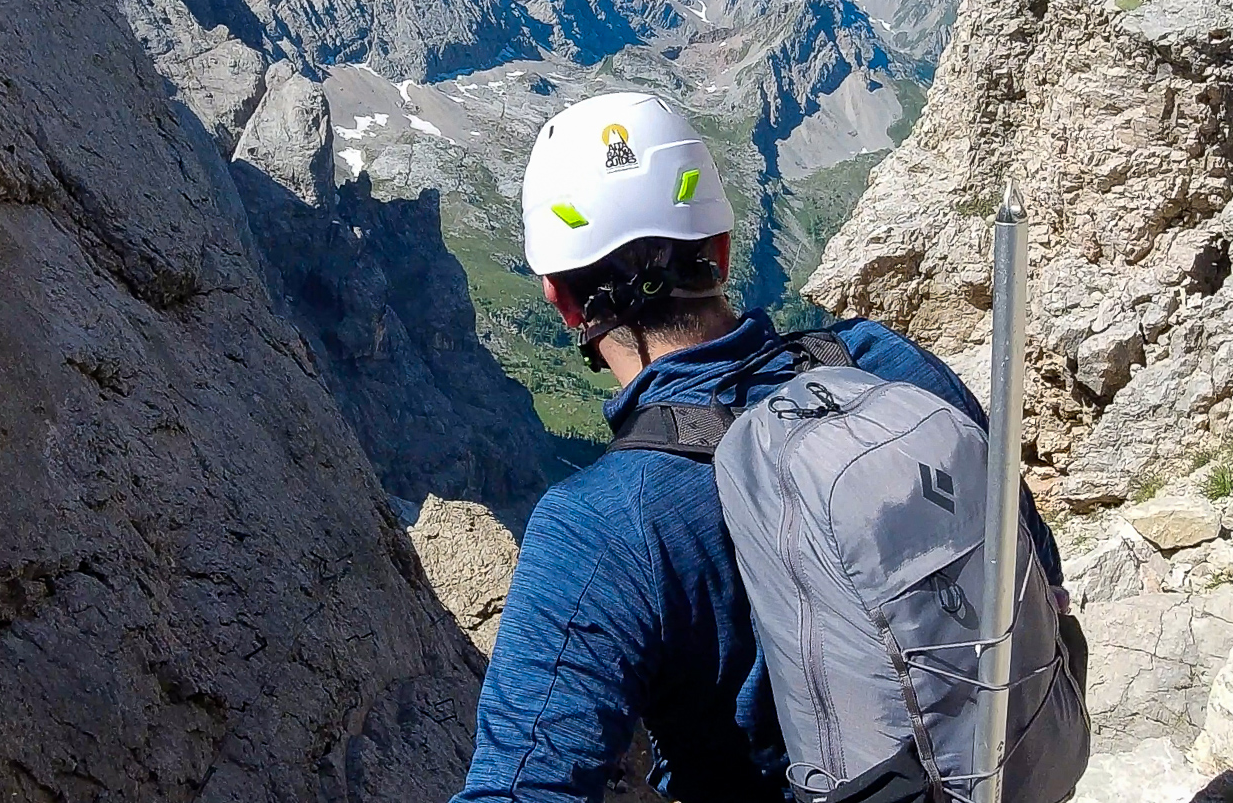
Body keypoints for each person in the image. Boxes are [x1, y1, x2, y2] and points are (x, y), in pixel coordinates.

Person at [450, 92, 1065, 803]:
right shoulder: (885, 361)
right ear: (719, 249)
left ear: (561, 303)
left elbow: (518, 789)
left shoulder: (598, 523)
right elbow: (1032, 564)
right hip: (1008, 771)